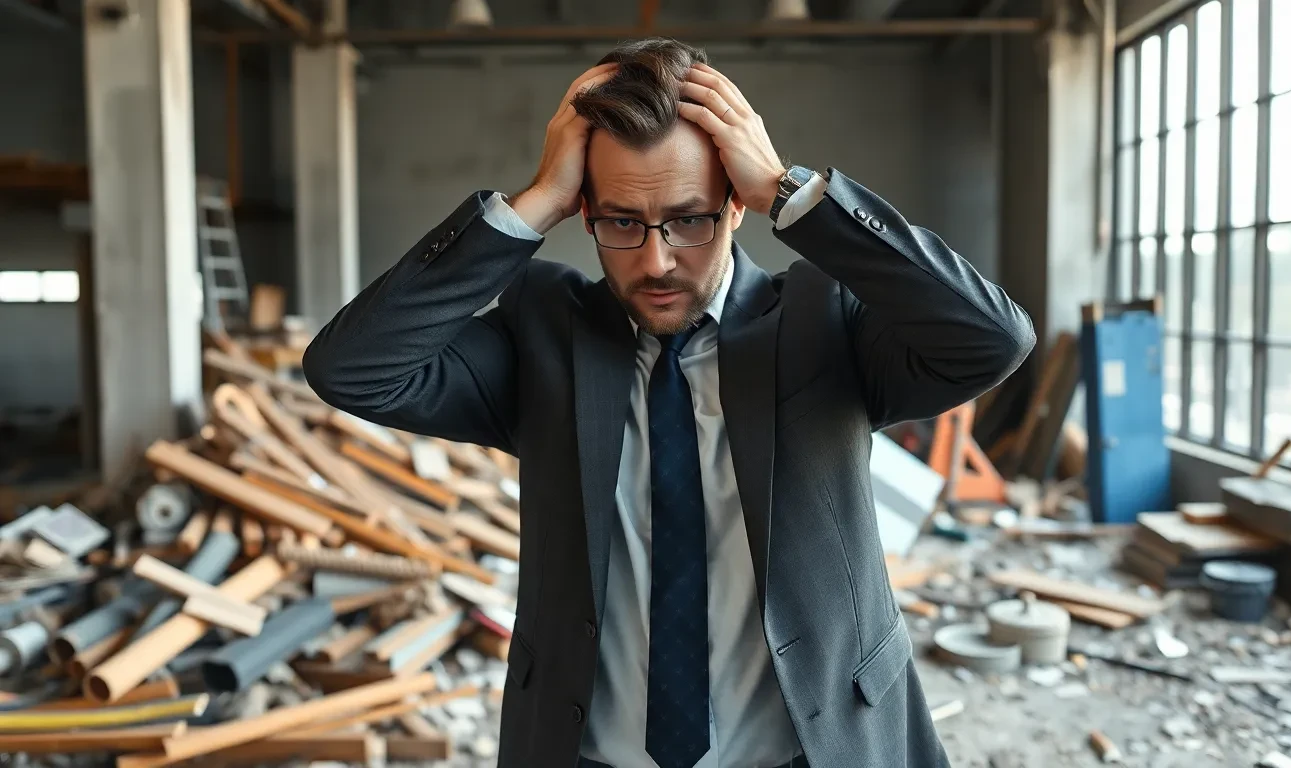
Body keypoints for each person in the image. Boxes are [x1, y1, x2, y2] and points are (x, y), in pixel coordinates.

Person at [303, 37, 1034, 768]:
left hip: (814, 751)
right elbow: (351, 369)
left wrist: (793, 192)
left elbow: (991, 339)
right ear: (583, 210)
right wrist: (527, 210)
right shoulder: (546, 338)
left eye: (690, 220)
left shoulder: (821, 323)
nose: (655, 261)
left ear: (736, 206)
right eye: (621, 222)